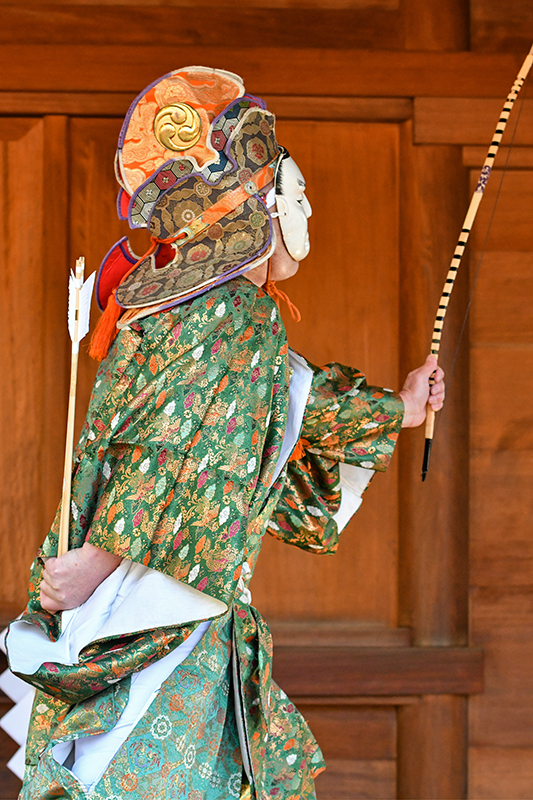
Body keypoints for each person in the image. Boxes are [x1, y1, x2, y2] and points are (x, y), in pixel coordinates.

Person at [6, 66, 444, 800]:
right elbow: (174, 450)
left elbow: (289, 400)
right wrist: (105, 563)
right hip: (160, 601)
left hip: (163, 597)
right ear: (259, 210)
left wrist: (397, 407)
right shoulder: (230, 318)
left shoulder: (196, 315)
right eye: (296, 196)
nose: (306, 212)